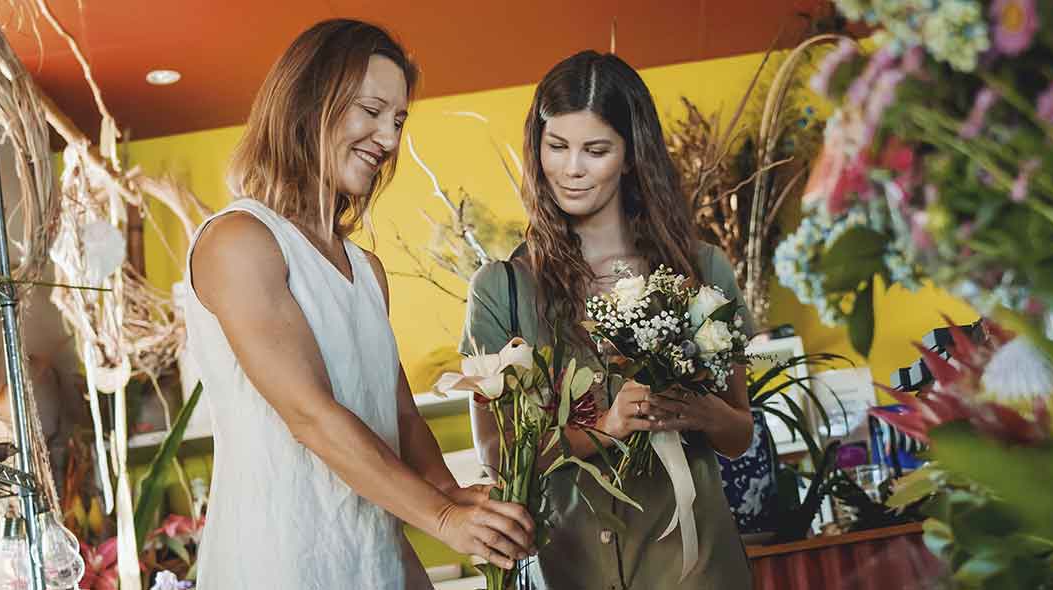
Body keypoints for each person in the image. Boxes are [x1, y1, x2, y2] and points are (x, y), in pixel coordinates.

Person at [178, 19, 532, 589]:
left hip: (374, 561)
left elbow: (401, 416)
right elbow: (311, 416)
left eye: (397, 120)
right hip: (280, 564)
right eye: (371, 112)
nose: (389, 139)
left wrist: (456, 495)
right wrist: (443, 519)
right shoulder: (238, 241)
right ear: (308, 101)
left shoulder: (365, 271)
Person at [461, 50, 755, 590]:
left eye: (595, 150)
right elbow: (498, 455)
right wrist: (605, 427)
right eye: (557, 147)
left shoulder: (703, 269)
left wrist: (698, 410)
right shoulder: (500, 291)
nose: (571, 169)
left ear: (630, 156)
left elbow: (740, 432)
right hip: (574, 570)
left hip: (697, 569)